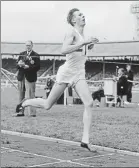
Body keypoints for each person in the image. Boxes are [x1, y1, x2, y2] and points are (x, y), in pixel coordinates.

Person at [15, 8, 99, 151]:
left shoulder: (82, 34)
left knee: (89, 102)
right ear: (73, 20)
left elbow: (77, 52)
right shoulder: (71, 32)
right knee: (47, 105)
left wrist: (88, 46)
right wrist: (84, 43)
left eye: (83, 14)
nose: (83, 16)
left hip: (79, 73)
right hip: (67, 73)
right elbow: (64, 49)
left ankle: (85, 140)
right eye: (79, 15)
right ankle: (27, 102)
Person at [14, 40, 40, 117]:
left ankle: (32, 113)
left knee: (31, 96)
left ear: (32, 46)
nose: (27, 47)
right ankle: (20, 112)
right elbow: (16, 65)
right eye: (26, 45)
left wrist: (28, 67)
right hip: (21, 77)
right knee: (21, 95)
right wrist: (20, 65)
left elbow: (38, 67)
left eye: (29, 45)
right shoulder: (21, 54)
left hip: (30, 77)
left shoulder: (36, 55)